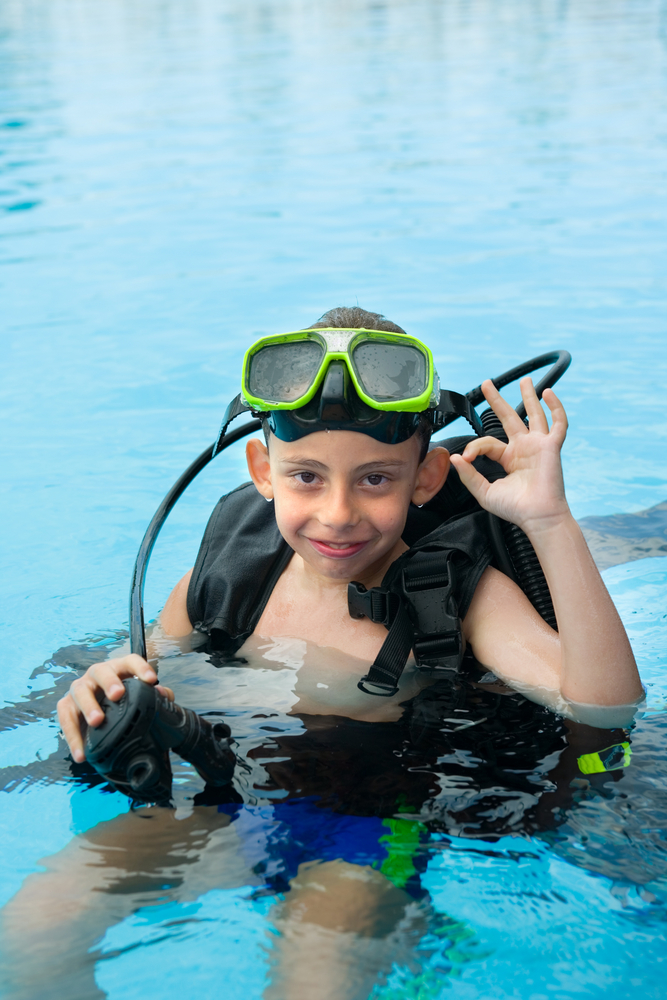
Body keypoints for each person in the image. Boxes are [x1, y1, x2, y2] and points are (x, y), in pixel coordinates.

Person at [4, 307, 644, 1000]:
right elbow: (151, 676)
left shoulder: (462, 596)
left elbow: (601, 704)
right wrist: (104, 690)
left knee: (316, 976)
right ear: (262, 468)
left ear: (425, 479)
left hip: (368, 840)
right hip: (228, 810)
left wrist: (548, 522)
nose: (337, 513)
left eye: (375, 480)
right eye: (307, 476)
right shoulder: (227, 577)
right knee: (35, 928)